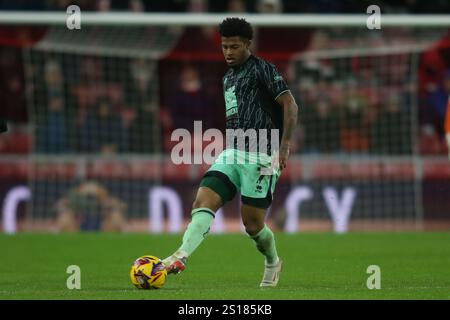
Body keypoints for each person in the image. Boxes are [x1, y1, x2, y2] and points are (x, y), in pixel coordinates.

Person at [163, 17, 299, 287]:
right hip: (233, 151)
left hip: (262, 154)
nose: (228, 52)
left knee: (253, 226)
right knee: (202, 200)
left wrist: (283, 147)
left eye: (234, 46)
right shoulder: (227, 78)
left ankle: (272, 261)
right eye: (225, 46)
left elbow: (290, 105)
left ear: (247, 44)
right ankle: (181, 255)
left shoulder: (263, 69)